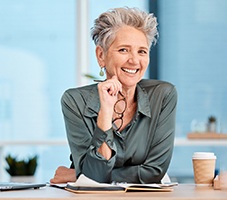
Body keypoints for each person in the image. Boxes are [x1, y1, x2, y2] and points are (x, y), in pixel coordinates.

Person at [50, 7, 177, 184]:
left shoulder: (163, 95)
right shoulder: (75, 101)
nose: (134, 60)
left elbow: (154, 171)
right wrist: (106, 113)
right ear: (101, 55)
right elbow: (95, 175)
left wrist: (78, 175)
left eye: (142, 51)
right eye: (124, 50)